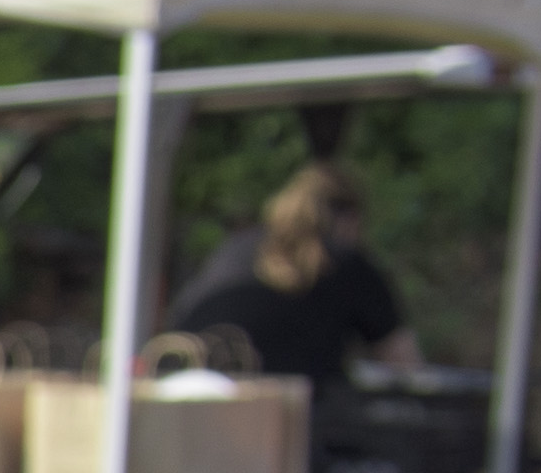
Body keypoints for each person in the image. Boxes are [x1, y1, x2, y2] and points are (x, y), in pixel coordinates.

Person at [161, 155, 415, 392]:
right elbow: (404, 363)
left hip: (186, 392)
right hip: (284, 418)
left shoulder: (235, 248)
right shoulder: (344, 261)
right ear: (350, 219)